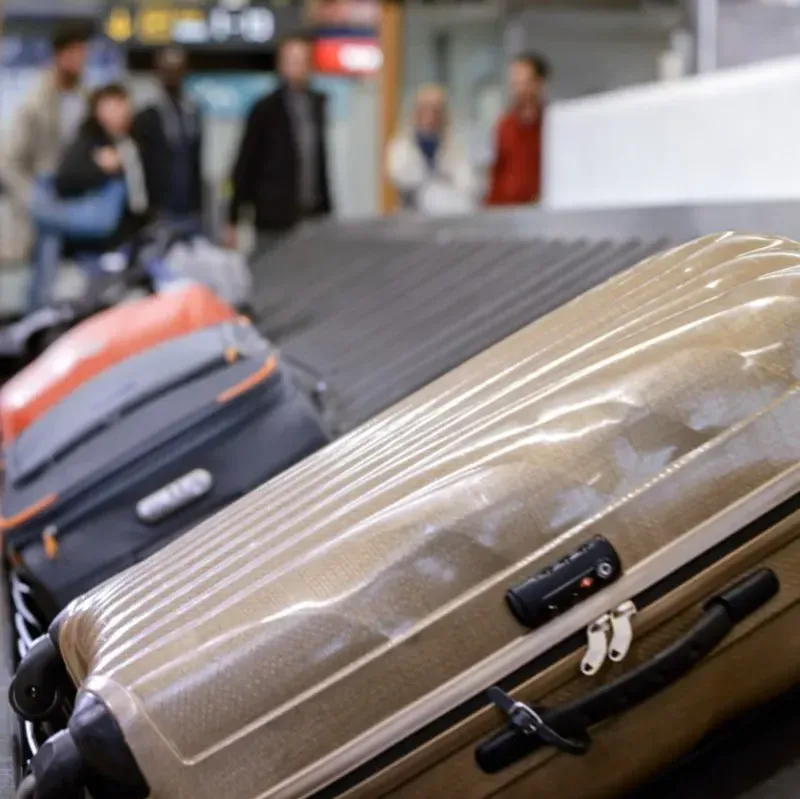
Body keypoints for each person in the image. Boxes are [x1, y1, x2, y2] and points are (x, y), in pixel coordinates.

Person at [224, 35, 333, 259]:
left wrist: (327, 209)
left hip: (311, 215)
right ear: (281, 64)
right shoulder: (265, 109)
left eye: (303, 60)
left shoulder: (316, 104)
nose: (298, 67)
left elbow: (319, 162)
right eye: (292, 60)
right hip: (273, 218)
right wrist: (233, 216)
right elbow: (246, 164)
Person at [2, 22, 91, 260]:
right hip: (44, 190)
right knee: (43, 272)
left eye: (82, 54)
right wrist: (32, 196)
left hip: (76, 193)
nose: (79, 60)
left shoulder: (87, 98)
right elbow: (7, 160)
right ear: (58, 56)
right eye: (73, 54)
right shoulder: (35, 102)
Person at [54, 84, 150, 254]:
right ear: (98, 110)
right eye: (113, 105)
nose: (120, 111)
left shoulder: (133, 140)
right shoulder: (89, 140)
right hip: (97, 243)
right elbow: (65, 180)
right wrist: (99, 168)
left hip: (134, 233)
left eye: (123, 104)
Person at [132, 47, 204, 231]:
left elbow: (197, 162)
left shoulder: (192, 112)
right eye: (167, 69)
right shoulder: (147, 116)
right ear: (158, 72)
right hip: (159, 209)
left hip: (191, 208)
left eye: (177, 69)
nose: (172, 75)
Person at [386, 85, 478, 216]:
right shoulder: (401, 145)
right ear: (415, 112)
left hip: (448, 218)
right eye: (425, 109)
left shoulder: (456, 146)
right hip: (411, 218)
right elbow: (401, 176)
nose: (431, 116)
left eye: (436, 110)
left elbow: (468, 184)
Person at [486, 53, 550, 207]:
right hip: (506, 213)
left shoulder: (552, 125)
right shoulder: (503, 126)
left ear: (539, 82)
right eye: (515, 83)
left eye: (525, 82)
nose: (519, 89)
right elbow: (496, 174)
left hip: (542, 212)